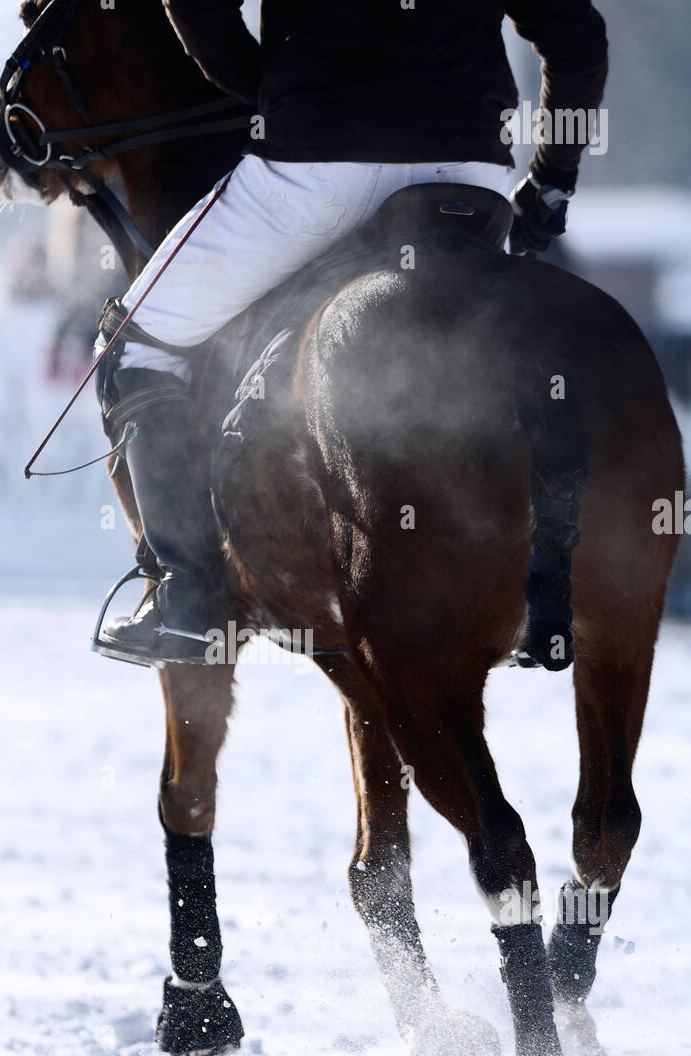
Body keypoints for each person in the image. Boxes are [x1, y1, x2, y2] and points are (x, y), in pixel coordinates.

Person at [96, 0, 608, 667]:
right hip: (465, 172)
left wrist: (269, 88)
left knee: (136, 343)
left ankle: (190, 598)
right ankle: (533, 579)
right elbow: (576, 33)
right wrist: (552, 177)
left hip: (313, 170)